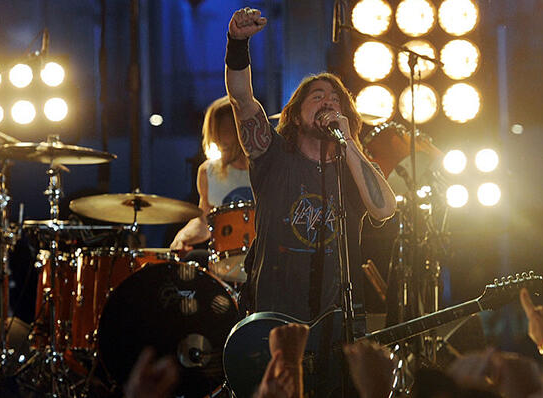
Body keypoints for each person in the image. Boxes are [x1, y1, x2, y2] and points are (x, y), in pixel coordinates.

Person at [225, 7, 397, 321]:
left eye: (336, 99)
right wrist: (237, 44)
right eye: (317, 96)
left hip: (337, 323)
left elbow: (384, 210)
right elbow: (241, 98)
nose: (328, 101)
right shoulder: (273, 155)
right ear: (295, 114)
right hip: (273, 318)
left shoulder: (353, 169)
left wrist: (349, 142)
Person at [169, 96, 252, 255]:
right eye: (215, 132)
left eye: (225, 131)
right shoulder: (208, 172)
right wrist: (183, 236)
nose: (219, 138)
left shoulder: (268, 168)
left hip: (265, 261)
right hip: (227, 261)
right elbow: (204, 222)